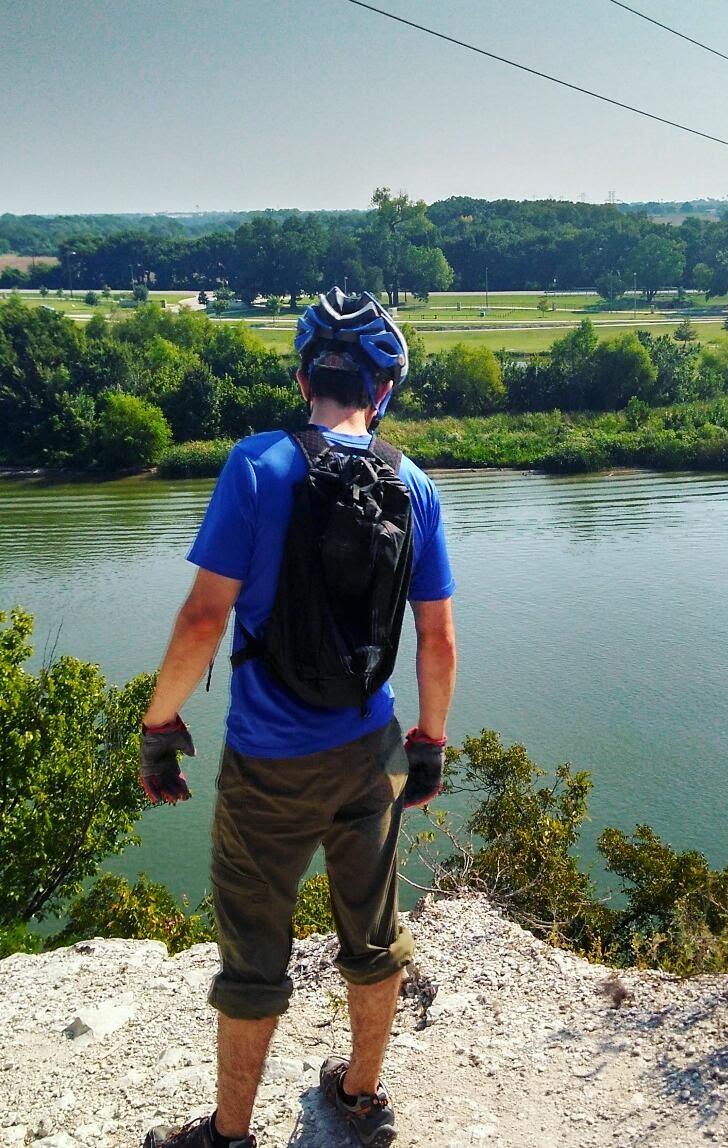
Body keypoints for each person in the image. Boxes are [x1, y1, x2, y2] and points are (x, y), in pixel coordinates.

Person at [139, 289, 457, 1148]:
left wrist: (159, 728)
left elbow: (205, 620)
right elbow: (435, 638)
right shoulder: (414, 483)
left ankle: (229, 1135)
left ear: (301, 374)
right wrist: (427, 744)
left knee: (253, 952)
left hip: (267, 761)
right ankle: (360, 1096)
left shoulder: (255, 465)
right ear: (382, 389)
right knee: (374, 933)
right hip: (373, 749)